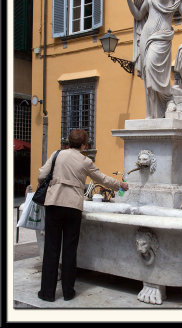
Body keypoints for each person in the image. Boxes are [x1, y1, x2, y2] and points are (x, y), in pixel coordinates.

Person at [37, 129, 129, 302]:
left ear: (68, 142)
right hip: (73, 206)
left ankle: (47, 293)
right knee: (70, 250)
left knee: (51, 249)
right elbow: (102, 179)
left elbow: (41, 175)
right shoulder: (86, 161)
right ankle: (68, 292)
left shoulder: (57, 155)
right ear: (84, 145)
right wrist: (120, 185)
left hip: (54, 203)